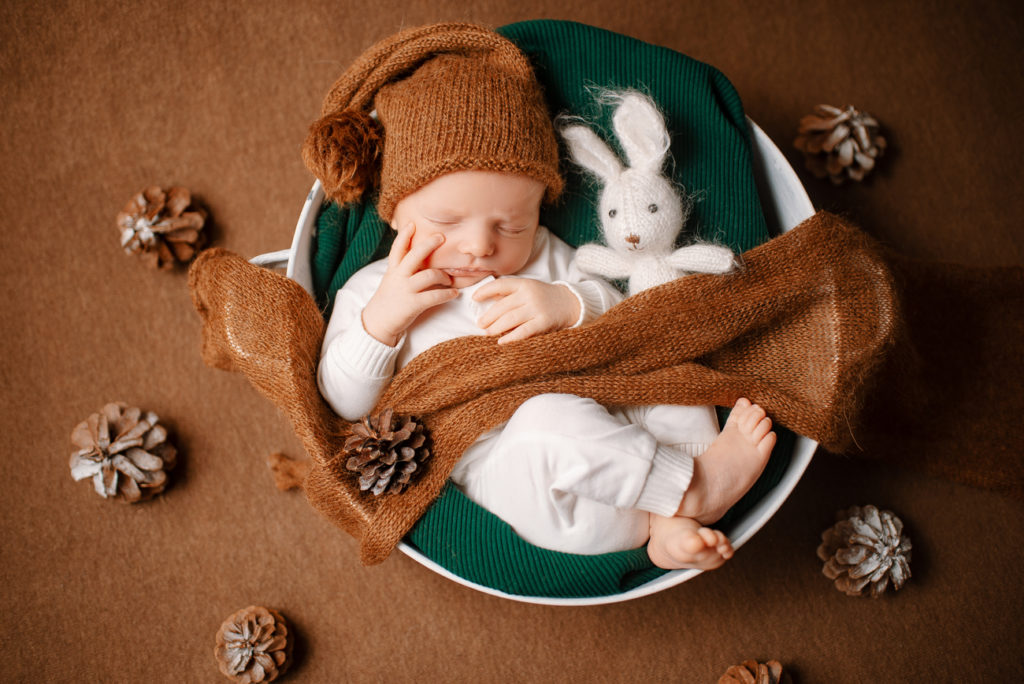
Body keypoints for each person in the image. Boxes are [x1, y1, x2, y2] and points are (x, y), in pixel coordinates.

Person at [308, 22, 775, 570]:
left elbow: (618, 317)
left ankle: (675, 520)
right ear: (395, 212)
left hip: (627, 429)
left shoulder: (543, 259)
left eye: (511, 225)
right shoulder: (373, 291)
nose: (479, 246)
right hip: (542, 489)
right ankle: (691, 493)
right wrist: (382, 323)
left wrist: (569, 304)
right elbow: (342, 403)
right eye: (445, 221)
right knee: (543, 424)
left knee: (660, 355)